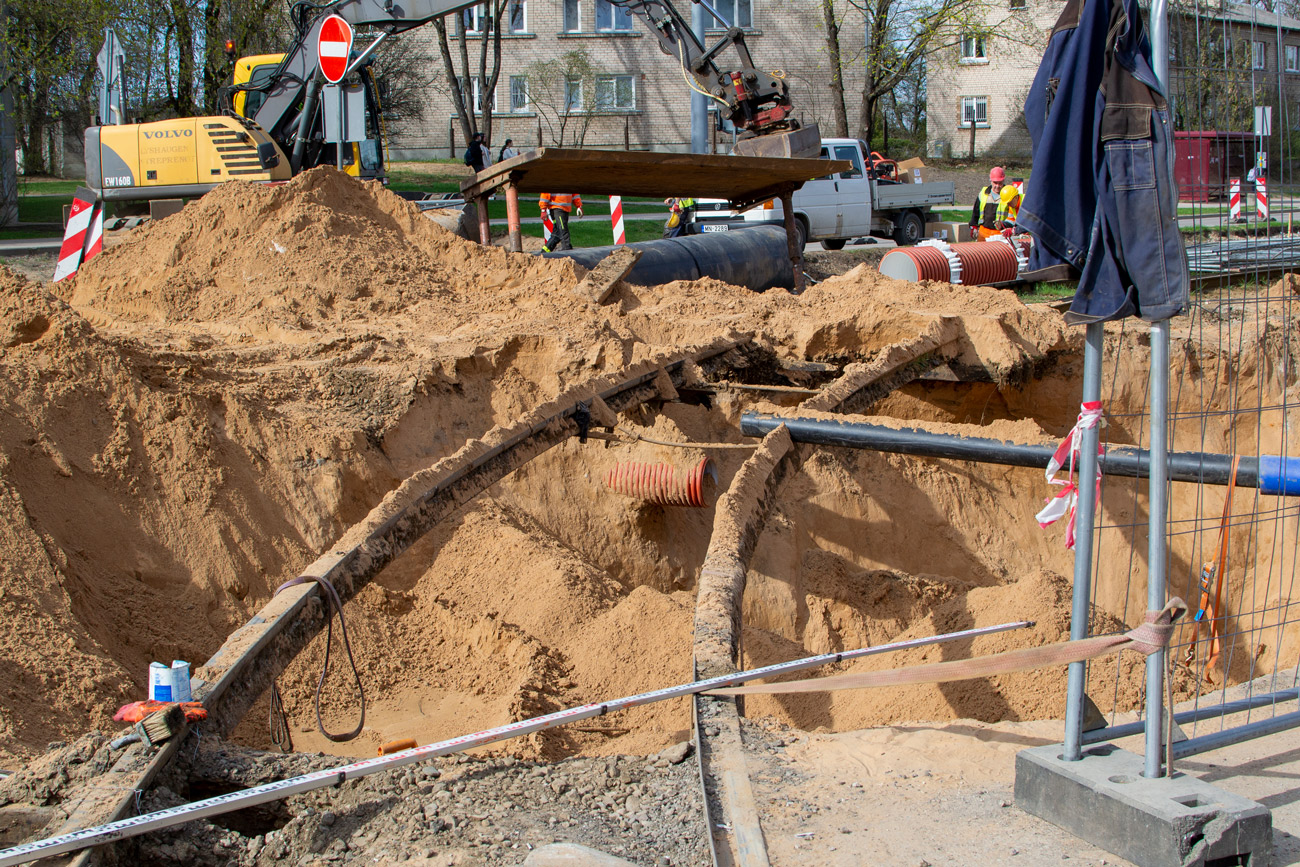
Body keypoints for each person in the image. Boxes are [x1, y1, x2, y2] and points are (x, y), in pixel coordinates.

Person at [969, 166, 1022, 240]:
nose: (997, 186)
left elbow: (1012, 219)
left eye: (1000, 183)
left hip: (1000, 233)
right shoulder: (983, 193)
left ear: (1003, 181)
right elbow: (976, 211)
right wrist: (973, 225)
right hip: (983, 231)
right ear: (990, 180)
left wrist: (1003, 225)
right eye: (995, 183)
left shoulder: (1009, 195)